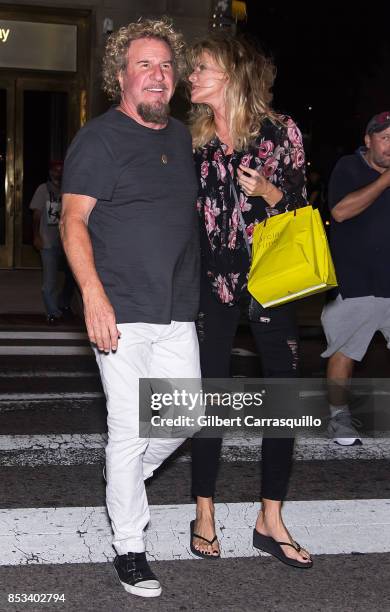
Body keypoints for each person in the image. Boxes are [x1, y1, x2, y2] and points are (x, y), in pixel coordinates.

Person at [60, 18, 201, 598]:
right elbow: (73, 221)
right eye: (144, 64)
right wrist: (93, 295)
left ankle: (126, 481)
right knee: (127, 429)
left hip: (177, 308)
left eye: (165, 66)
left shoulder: (181, 138)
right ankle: (130, 547)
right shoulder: (99, 139)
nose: (156, 75)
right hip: (119, 308)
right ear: (121, 76)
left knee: (187, 416)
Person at [187, 34, 312, 567]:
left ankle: (270, 518)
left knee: (283, 400)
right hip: (211, 285)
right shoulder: (190, 139)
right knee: (210, 396)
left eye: (202, 68)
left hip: (269, 279)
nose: (191, 76)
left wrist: (268, 193)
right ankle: (205, 513)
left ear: (233, 75)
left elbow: (302, 208)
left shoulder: (281, 133)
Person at [321, 111, 390, 445]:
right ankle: (338, 418)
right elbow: (340, 211)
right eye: (385, 137)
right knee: (344, 353)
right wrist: (384, 181)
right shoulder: (349, 167)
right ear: (368, 140)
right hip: (357, 283)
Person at [30, 160, 75, 323]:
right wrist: (36, 235)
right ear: (50, 172)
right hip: (48, 241)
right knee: (50, 280)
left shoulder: (69, 189)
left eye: (61, 170)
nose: (58, 173)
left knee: (73, 277)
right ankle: (52, 312)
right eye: (55, 170)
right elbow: (36, 214)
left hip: (68, 242)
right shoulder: (43, 189)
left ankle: (63, 303)